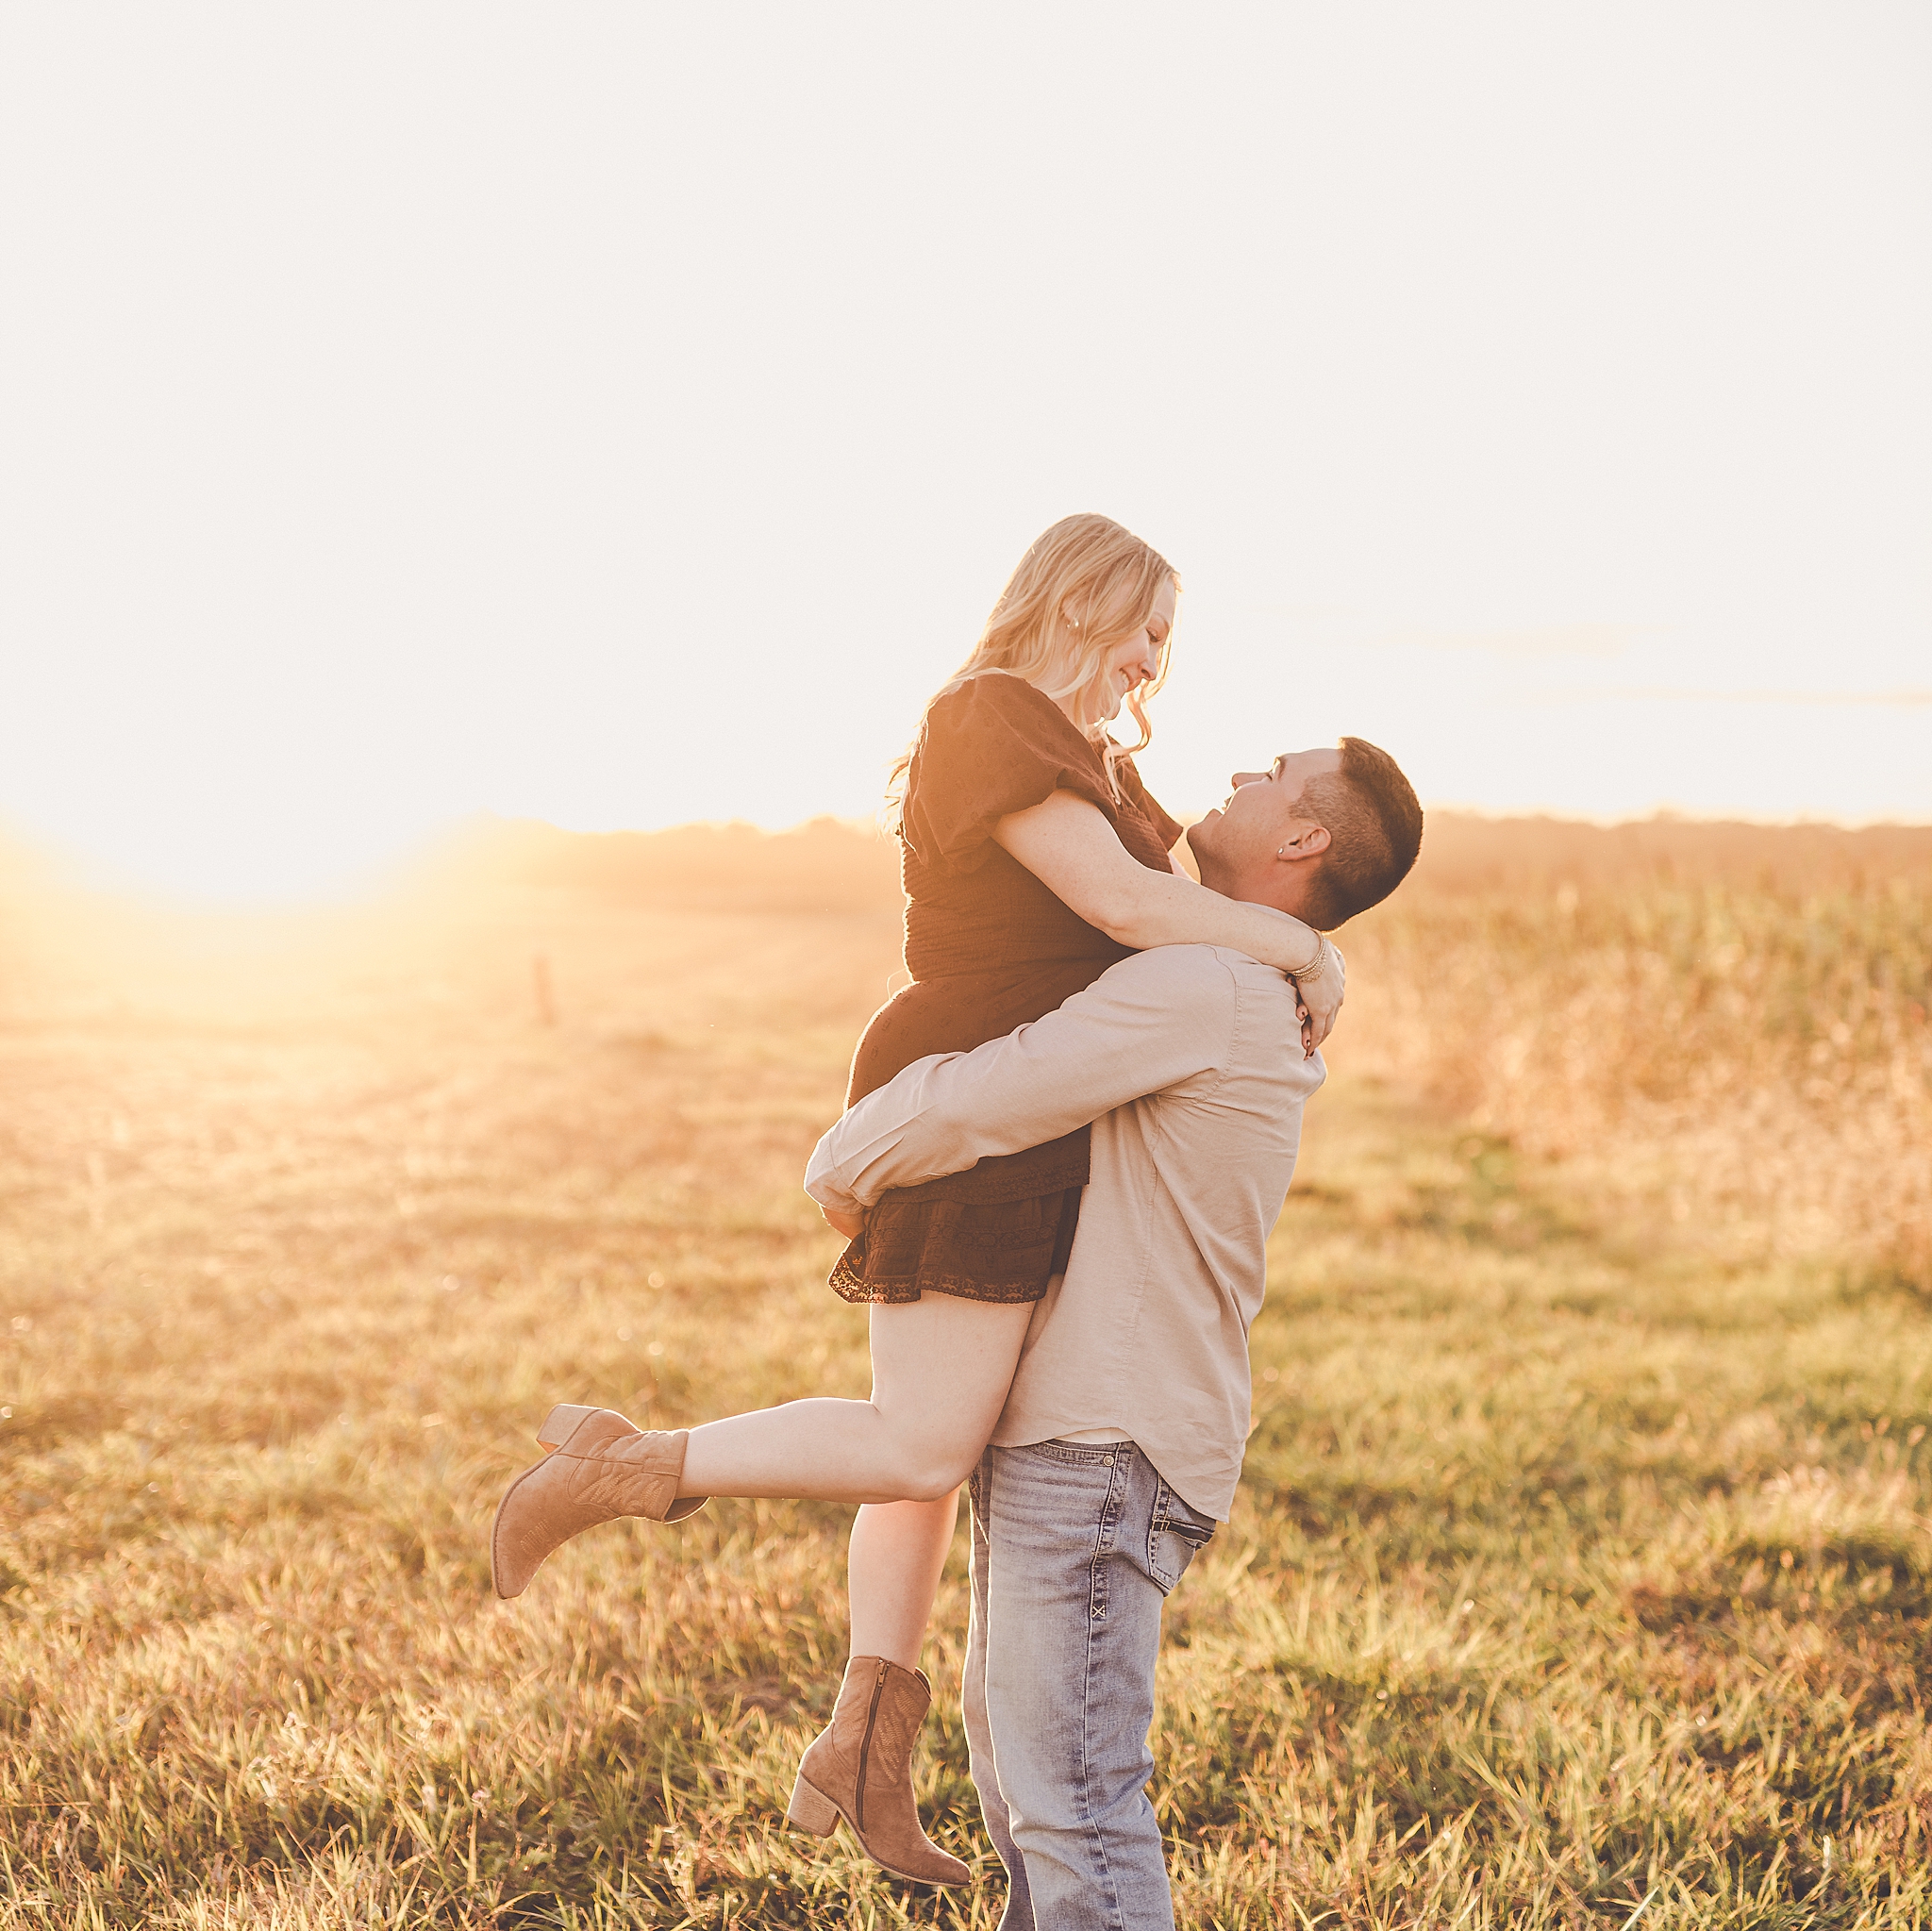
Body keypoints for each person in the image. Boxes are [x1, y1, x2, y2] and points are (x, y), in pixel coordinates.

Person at [490, 514, 1344, 1885]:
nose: (1155, 657)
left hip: (1037, 1108)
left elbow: (1161, 919)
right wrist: (1304, 947)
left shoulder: (1095, 753)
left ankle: (866, 1745)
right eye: (1145, 625)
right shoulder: (991, 714)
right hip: (972, 1095)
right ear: (1076, 597)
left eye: (1165, 638)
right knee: (920, 1439)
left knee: (948, 1432)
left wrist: (1280, 944)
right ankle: (627, 1464)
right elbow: (1125, 911)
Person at [804, 739, 1424, 1927]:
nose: (1238, 775)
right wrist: (1311, 949)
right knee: (1029, 1799)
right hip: (1079, 1432)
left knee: (1074, 1812)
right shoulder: (1231, 973)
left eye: (1269, 772)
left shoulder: (1205, 986)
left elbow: (988, 1095)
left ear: (1302, 837)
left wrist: (841, 1163)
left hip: (1102, 1443)